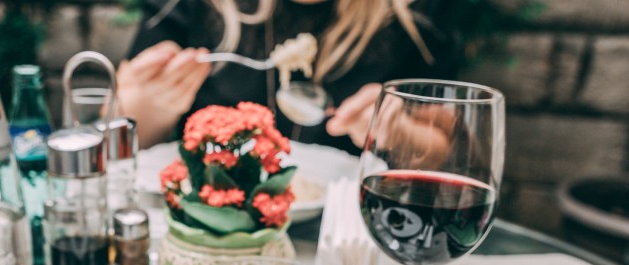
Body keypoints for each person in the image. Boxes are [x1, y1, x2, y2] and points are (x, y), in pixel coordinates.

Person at [117, 0, 458, 151]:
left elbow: (450, 156)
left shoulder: (417, 19)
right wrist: (152, 104)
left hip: (347, 238)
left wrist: (399, 135)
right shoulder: (189, 6)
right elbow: (121, 139)